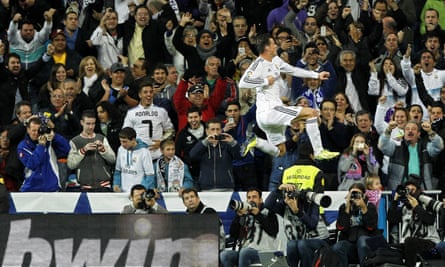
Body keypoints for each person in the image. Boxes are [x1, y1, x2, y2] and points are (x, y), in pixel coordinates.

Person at [238, 33, 337, 160]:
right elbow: (243, 82)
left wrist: (316, 75)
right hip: (270, 111)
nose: (276, 46)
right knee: (312, 113)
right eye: (273, 44)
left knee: (281, 151)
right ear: (267, 48)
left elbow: (293, 70)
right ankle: (319, 151)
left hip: (269, 117)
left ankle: (256, 141)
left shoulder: (276, 61)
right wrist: (265, 81)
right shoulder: (258, 64)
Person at [387, 175, 441, 267]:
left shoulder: (426, 203)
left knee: (409, 241)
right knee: (390, 247)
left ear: (418, 190)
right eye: (407, 189)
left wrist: (416, 207)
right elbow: (392, 219)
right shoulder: (404, 207)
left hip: (430, 243)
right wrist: (395, 201)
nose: (409, 193)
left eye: (412, 190)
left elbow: (430, 220)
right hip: (409, 244)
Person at [220, 188, 278, 267]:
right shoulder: (245, 214)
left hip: (265, 253)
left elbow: (273, 231)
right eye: (249, 197)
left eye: (254, 197)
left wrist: (258, 215)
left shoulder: (269, 212)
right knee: (225, 255)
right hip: (245, 251)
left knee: (245, 252)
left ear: (260, 200)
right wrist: (238, 217)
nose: (251, 200)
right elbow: (233, 234)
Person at [378, 120, 443, 190]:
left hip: (422, 189)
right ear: (404, 133)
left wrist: (430, 131)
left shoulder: (425, 147)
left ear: (418, 134)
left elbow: (439, 146)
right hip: (399, 189)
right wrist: (388, 130)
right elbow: (382, 146)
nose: (410, 131)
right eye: (407, 129)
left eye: (413, 129)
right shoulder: (397, 147)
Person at [123, 80, 175, 160]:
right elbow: (125, 134)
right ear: (140, 95)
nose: (148, 95)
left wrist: (162, 142)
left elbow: (170, 131)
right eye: (145, 92)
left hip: (158, 156)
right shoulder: (131, 113)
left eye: (151, 92)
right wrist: (136, 144)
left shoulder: (161, 111)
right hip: (138, 157)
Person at [67, 110, 116, 192]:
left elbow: (113, 159)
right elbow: (71, 165)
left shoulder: (102, 138)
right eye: (88, 124)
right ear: (82, 122)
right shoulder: (75, 141)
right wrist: (83, 150)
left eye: (93, 123)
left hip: (104, 185)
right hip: (85, 187)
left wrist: (103, 150)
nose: (91, 127)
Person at [332, 182, 379, 267]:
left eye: (357, 194)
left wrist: (364, 208)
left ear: (364, 195)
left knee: (363, 241)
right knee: (337, 247)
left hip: (366, 244)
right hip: (350, 244)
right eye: (352, 194)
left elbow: (371, 227)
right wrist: (347, 208)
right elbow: (342, 228)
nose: (355, 196)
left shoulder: (370, 207)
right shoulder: (344, 207)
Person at [17, 117, 70, 192]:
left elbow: (67, 149)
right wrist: (41, 146)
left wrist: (55, 136)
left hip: (51, 186)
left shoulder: (50, 141)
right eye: (33, 130)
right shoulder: (23, 146)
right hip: (31, 188)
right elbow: (32, 164)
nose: (36, 133)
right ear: (28, 130)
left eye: (38, 130)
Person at [189, 118, 241, 191]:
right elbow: (192, 156)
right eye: (212, 129)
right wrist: (205, 142)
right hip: (206, 187)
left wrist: (233, 142)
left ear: (221, 130)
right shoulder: (202, 144)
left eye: (218, 129)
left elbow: (239, 156)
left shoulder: (227, 144)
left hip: (226, 187)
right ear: (207, 131)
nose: (215, 132)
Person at [113, 127, 154, 193]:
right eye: (121, 141)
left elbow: (150, 176)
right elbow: (118, 171)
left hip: (138, 195)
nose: (122, 144)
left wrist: (140, 191)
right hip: (123, 193)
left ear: (133, 140)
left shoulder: (144, 152)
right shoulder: (121, 149)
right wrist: (116, 184)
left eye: (125, 142)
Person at [175, 106, 206, 184]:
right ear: (187, 119)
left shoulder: (208, 129)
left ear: (201, 117)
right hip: (191, 172)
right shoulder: (182, 134)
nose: (193, 120)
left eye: (195, 117)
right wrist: (186, 163)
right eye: (191, 117)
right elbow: (177, 153)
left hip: (209, 171)